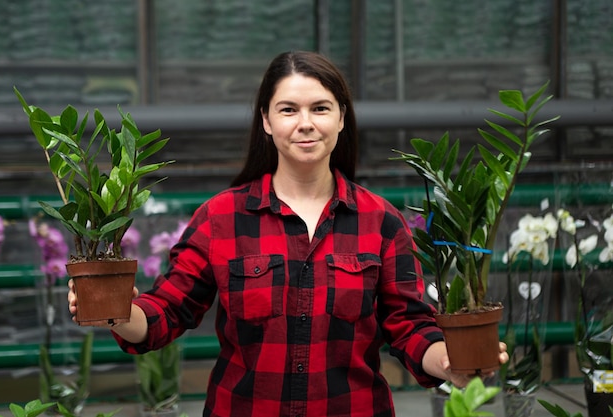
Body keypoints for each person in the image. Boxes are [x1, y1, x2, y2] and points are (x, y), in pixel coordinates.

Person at [68, 50, 508, 417]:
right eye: (288, 110)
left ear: (340, 118)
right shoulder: (221, 218)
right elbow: (166, 312)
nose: (305, 123)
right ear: (266, 120)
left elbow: (409, 326)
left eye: (320, 108)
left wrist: (450, 363)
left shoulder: (381, 221)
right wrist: (118, 310)